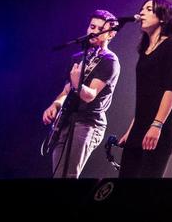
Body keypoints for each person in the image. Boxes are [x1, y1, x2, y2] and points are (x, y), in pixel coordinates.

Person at [42, 10, 120, 178]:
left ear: (111, 35)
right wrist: (56, 104)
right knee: (57, 176)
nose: (94, 31)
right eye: (92, 26)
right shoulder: (77, 57)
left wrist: (78, 84)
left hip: (88, 122)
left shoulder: (109, 60)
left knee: (69, 176)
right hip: (67, 120)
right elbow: (66, 90)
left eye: (101, 29)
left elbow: (89, 95)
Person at [117, 0, 172, 178]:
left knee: (146, 182)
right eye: (142, 9)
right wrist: (133, 128)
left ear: (162, 17)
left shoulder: (171, 46)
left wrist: (156, 125)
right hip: (141, 123)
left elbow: (171, 89)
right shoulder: (144, 49)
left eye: (148, 9)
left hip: (160, 123)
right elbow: (145, 95)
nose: (142, 13)